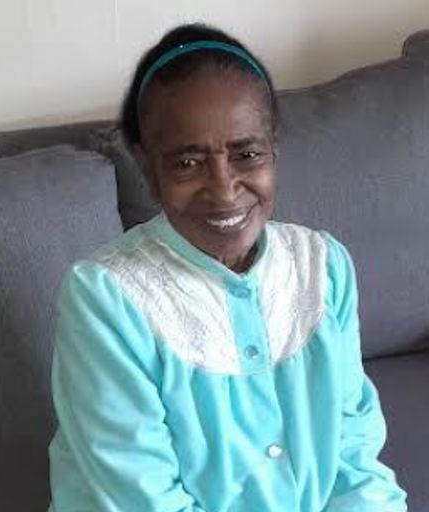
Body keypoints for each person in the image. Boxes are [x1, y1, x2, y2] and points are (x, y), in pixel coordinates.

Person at [47, 23, 407, 512]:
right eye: (187, 163)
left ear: (274, 149)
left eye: (247, 154)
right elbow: (142, 497)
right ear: (147, 168)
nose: (223, 189)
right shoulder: (106, 299)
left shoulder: (324, 268)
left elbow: (354, 457)